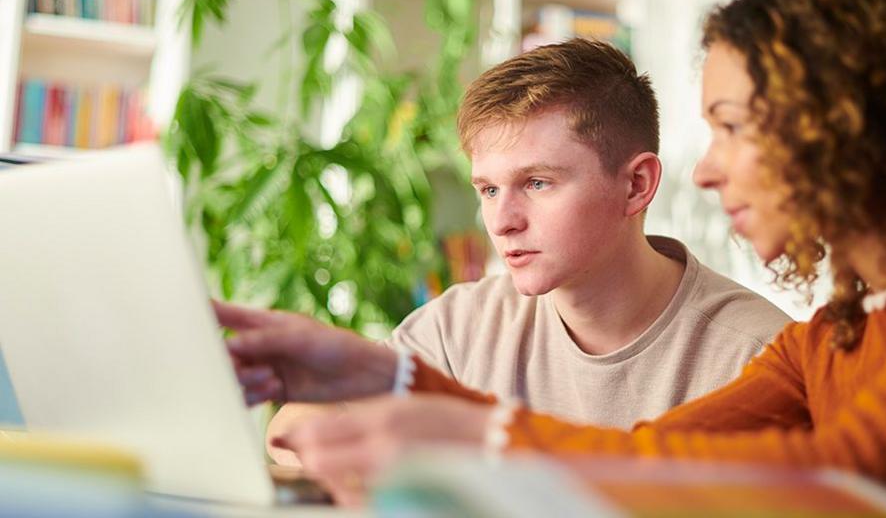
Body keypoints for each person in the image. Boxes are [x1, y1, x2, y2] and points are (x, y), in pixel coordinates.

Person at [226, 0, 886, 515]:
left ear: (845, 120)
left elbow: (857, 473)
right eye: (488, 187)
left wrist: (475, 437)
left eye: (731, 128)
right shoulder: (829, 336)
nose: (707, 172)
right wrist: (376, 374)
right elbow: (637, 452)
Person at [224, 39, 789, 464]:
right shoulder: (462, 324)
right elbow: (293, 428)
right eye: (489, 189)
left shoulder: (755, 356)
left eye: (537, 183)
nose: (502, 220)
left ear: (636, 185)